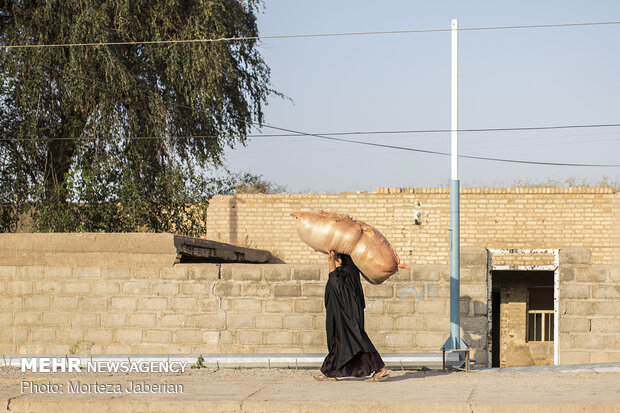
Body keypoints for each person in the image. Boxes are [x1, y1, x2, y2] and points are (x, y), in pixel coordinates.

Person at [315, 251, 388, 381]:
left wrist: (331, 262)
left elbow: (336, 283)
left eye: (337, 259)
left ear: (341, 261)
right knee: (338, 340)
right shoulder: (347, 273)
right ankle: (331, 371)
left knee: (357, 339)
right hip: (339, 315)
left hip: (348, 317)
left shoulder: (347, 273)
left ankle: (380, 369)